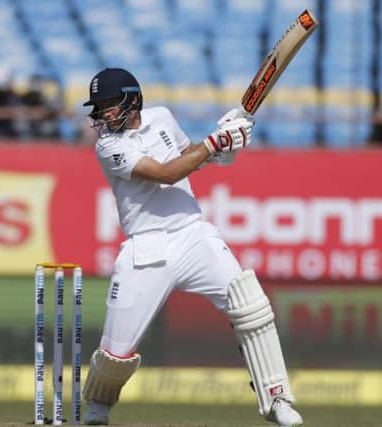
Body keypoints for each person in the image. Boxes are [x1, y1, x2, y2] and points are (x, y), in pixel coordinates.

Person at [80, 68, 302, 427]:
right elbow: (166, 174)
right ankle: (98, 406)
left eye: (110, 104)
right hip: (146, 247)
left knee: (251, 305)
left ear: (133, 99)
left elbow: (189, 156)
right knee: (116, 353)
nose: (104, 113)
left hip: (193, 234)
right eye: (100, 107)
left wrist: (224, 148)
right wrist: (214, 143)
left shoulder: (162, 117)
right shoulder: (109, 145)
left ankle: (278, 400)